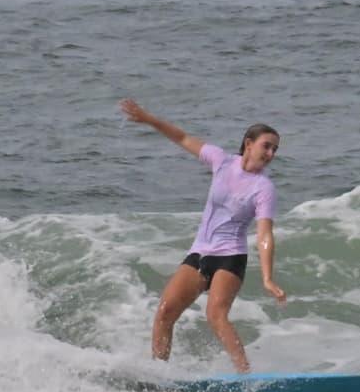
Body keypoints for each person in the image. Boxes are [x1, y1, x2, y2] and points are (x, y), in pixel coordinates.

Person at [119, 98, 286, 373]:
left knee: (216, 316)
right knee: (164, 314)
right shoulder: (221, 161)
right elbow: (183, 137)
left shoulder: (264, 188)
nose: (270, 153)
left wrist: (268, 277)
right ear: (248, 144)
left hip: (231, 257)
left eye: (275, 150)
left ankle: (246, 376)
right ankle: (159, 374)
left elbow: (265, 233)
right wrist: (149, 119)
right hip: (199, 253)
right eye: (266, 146)